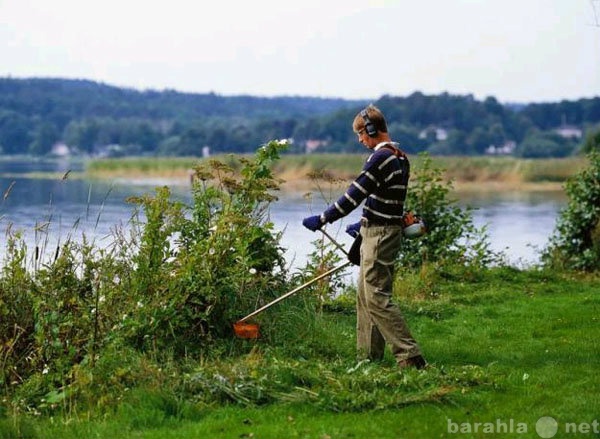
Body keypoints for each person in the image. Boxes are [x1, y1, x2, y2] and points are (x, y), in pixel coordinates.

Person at [302, 104, 426, 370]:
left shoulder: (380, 158)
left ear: (371, 129)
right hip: (377, 230)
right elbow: (387, 199)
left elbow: (354, 195)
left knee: (377, 297)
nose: (360, 140)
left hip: (380, 235)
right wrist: (362, 223)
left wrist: (323, 218)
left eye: (360, 133)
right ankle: (368, 358)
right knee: (365, 294)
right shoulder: (399, 156)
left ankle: (410, 356)